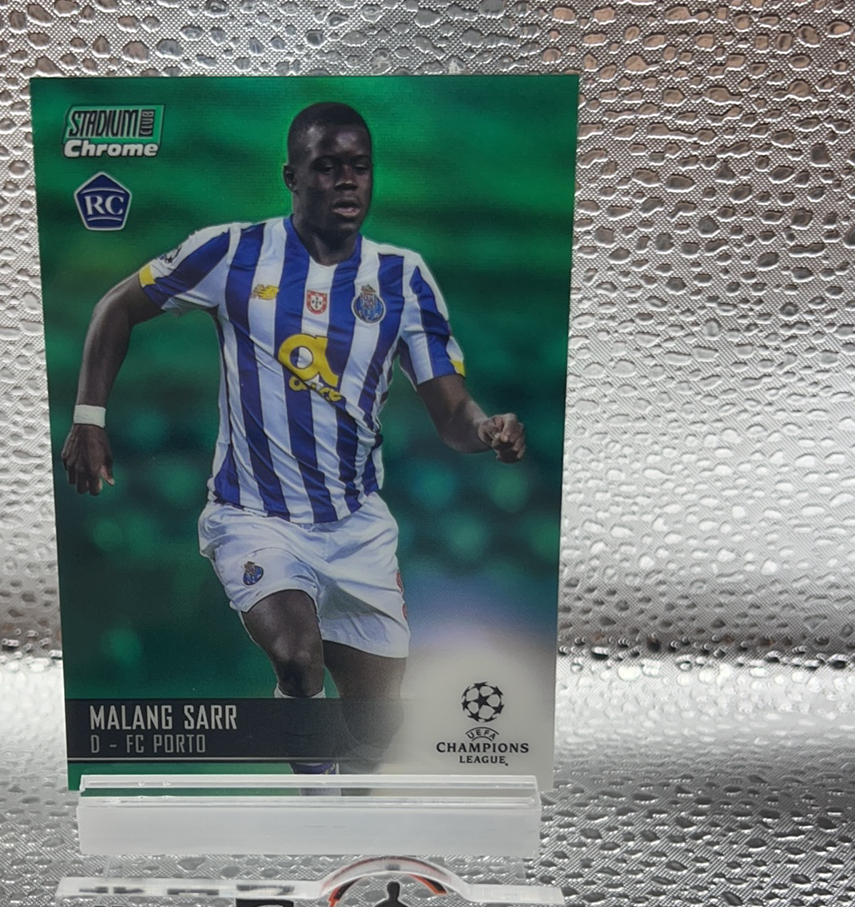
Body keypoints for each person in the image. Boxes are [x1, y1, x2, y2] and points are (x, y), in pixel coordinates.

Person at [61, 101, 525, 771]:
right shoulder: (231, 252)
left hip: (356, 528)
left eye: (359, 166)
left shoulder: (402, 279)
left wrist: (486, 429)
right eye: (327, 167)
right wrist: (89, 417)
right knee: (299, 659)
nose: (347, 181)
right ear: (291, 176)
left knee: (375, 731)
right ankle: (310, 786)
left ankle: (341, 783)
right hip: (253, 517)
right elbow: (117, 305)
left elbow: (450, 414)